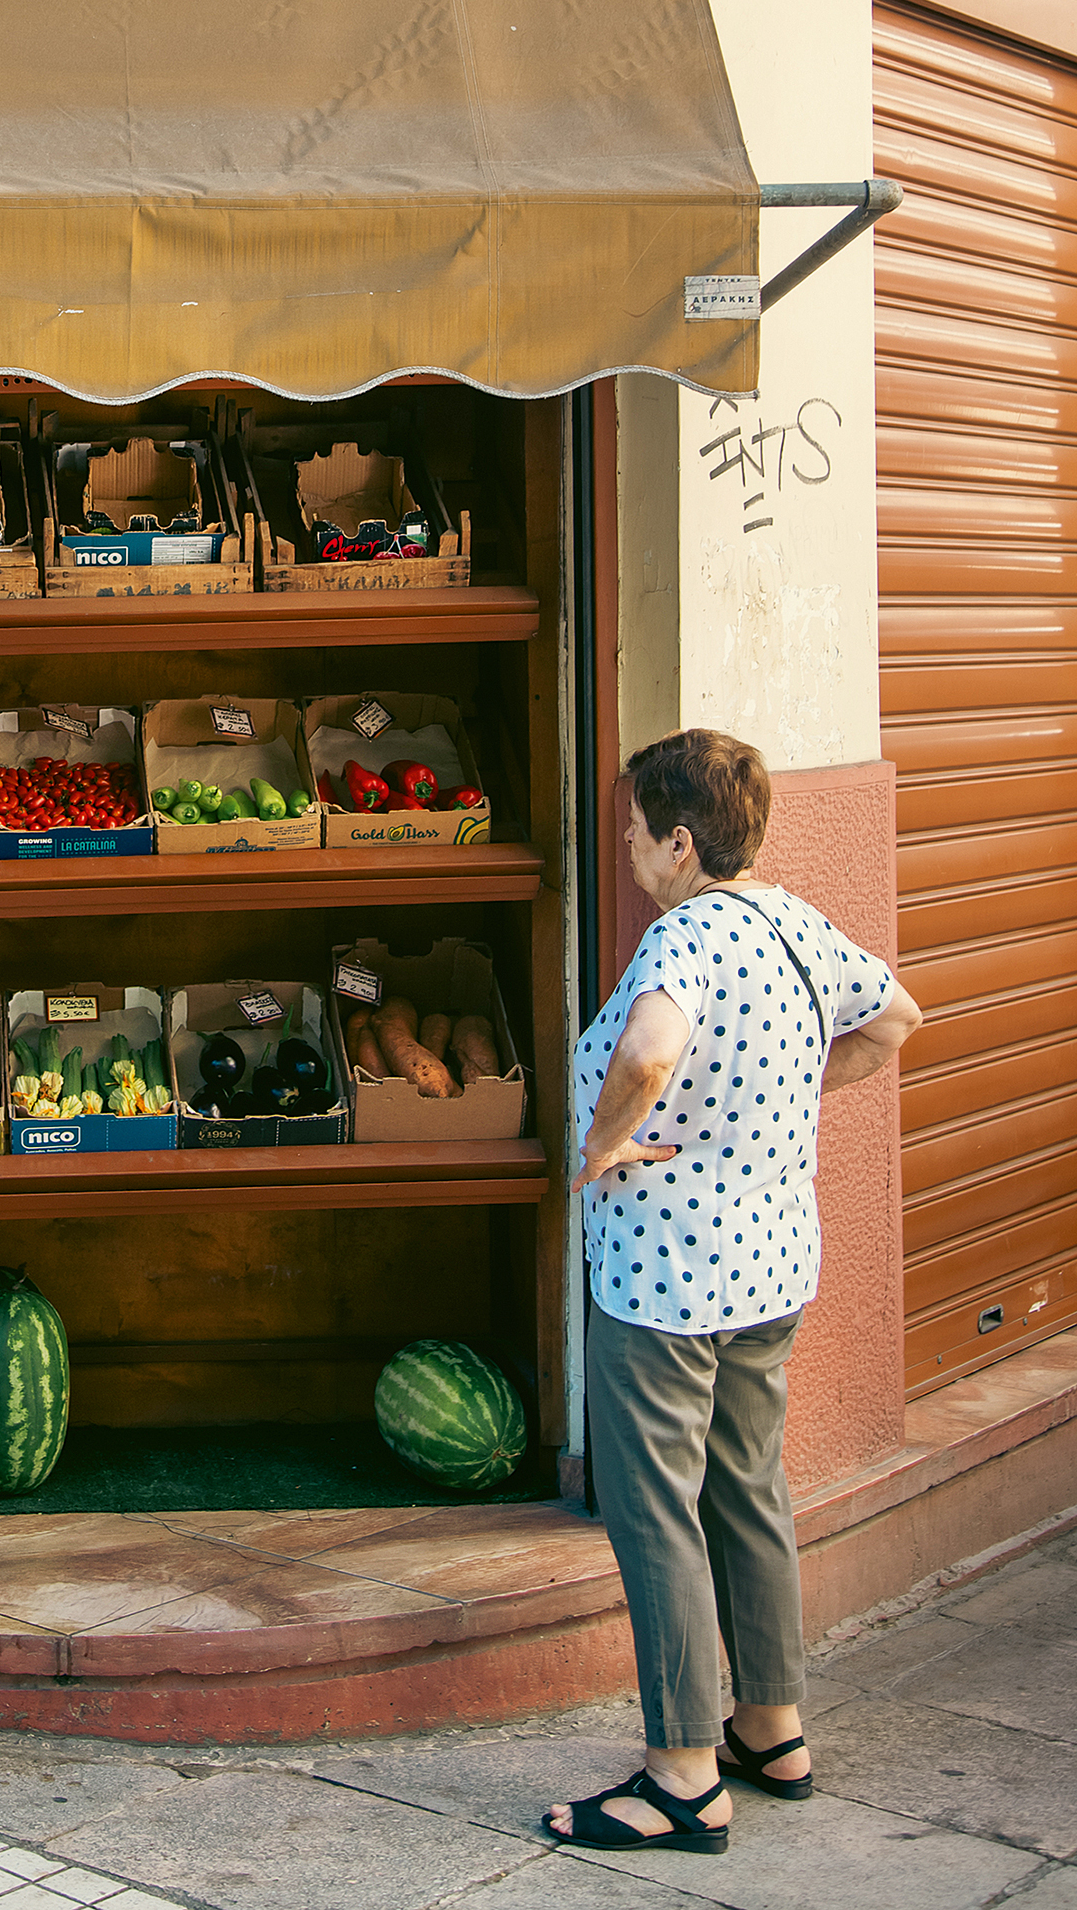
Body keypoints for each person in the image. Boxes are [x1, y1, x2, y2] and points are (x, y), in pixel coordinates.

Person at [544, 728, 921, 1857]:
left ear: (680, 841)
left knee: (657, 1514)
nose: (625, 845)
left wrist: (604, 1146)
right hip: (770, 1266)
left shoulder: (686, 937)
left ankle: (681, 1779)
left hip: (665, 1283)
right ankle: (772, 1729)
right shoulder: (795, 923)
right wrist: (787, 1097)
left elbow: (649, 1054)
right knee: (748, 1491)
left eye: (634, 828)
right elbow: (895, 1018)